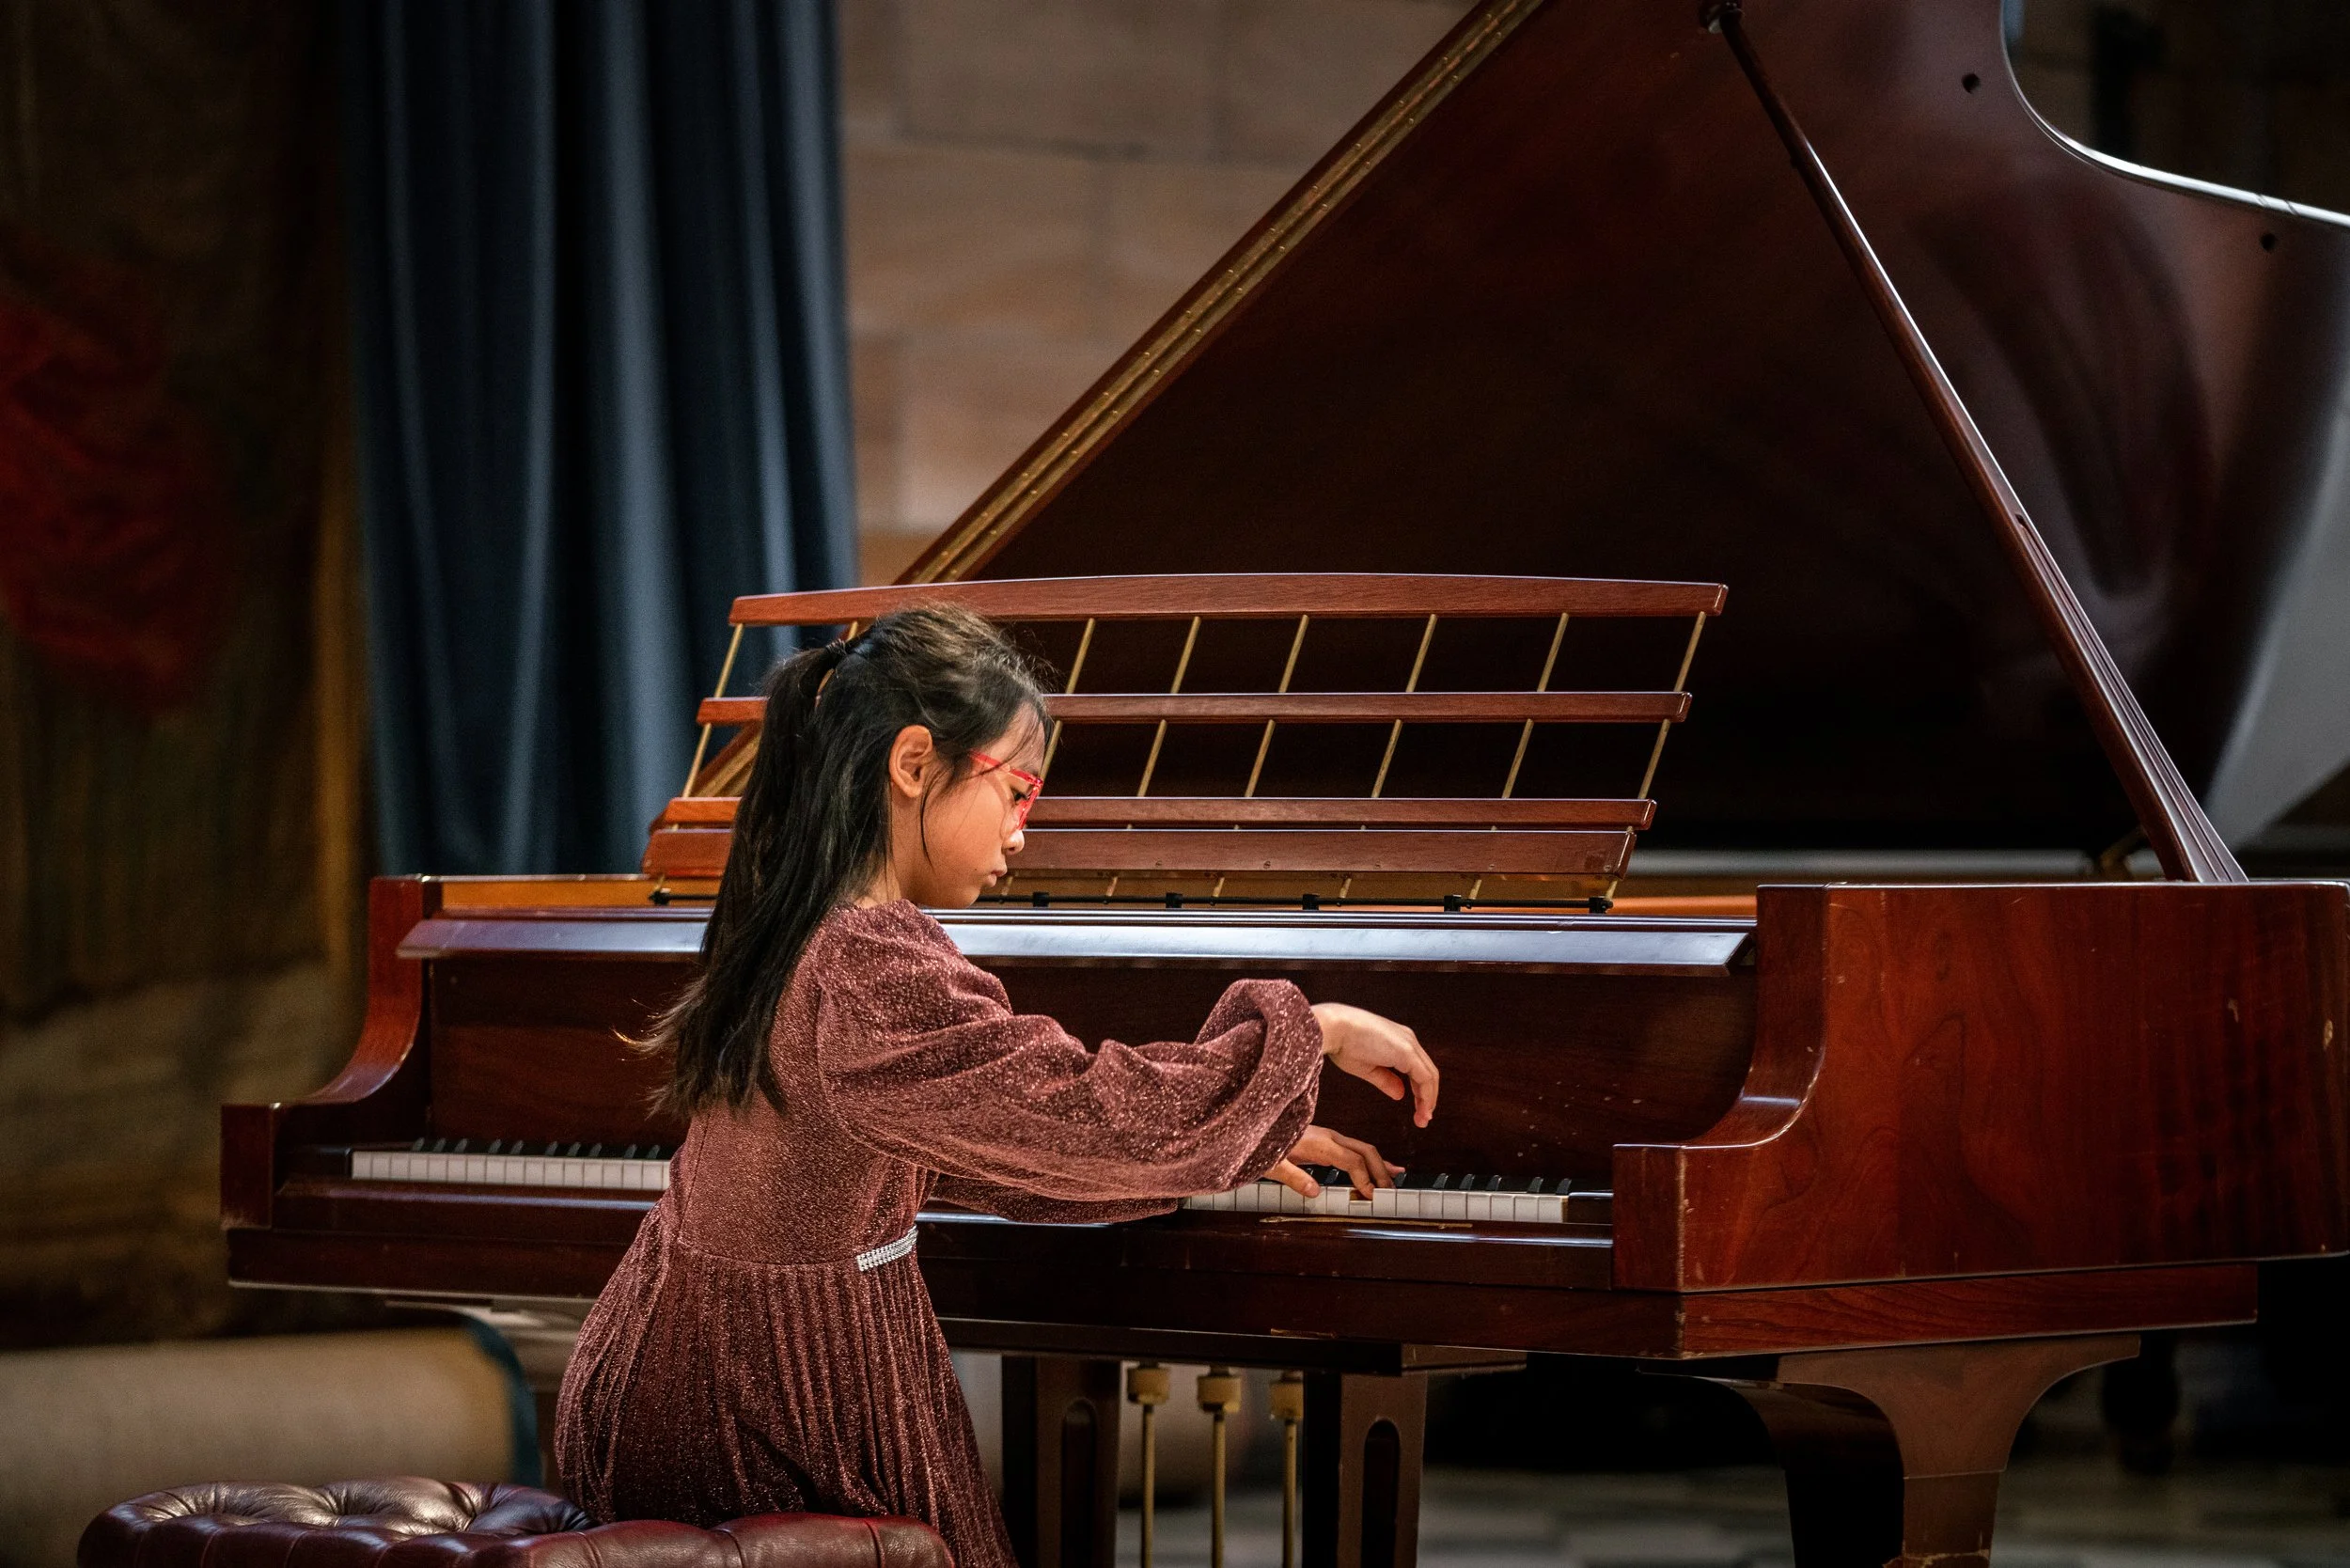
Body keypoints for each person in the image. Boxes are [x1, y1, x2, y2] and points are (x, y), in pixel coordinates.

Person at [556, 606, 1438, 1566]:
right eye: (1017, 790)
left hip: (675, 1363)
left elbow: (995, 1139)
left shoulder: (792, 924)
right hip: (769, 1410)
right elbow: (1083, 1115)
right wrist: (1307, 1039)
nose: (1024, 833)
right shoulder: (874, 961)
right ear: (913, 763)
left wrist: (1249, 1124)